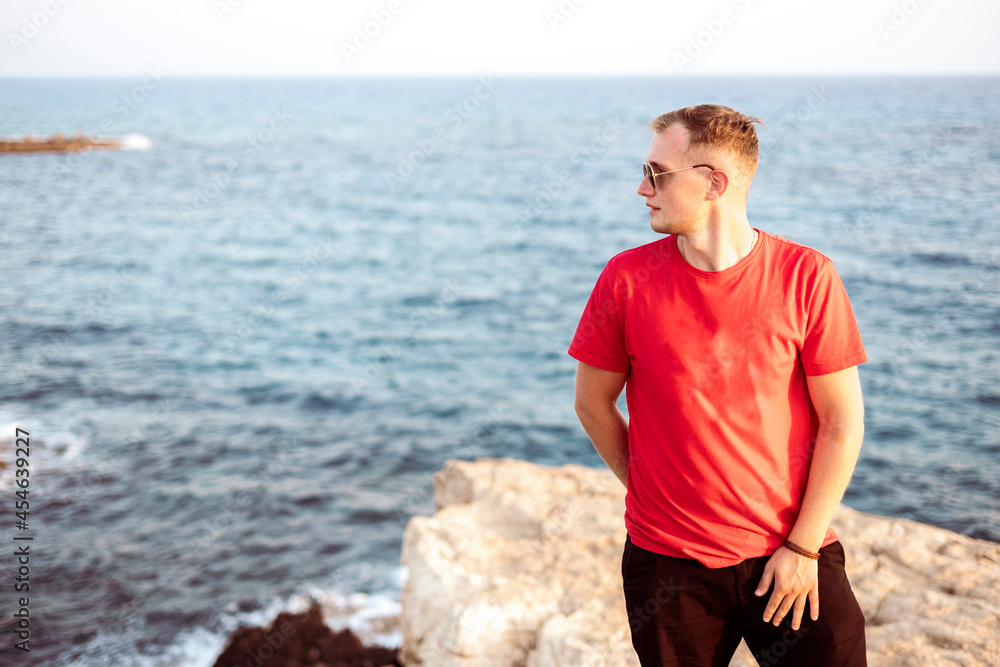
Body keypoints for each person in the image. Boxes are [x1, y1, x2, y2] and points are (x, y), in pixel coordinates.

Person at [568, 104, 868, 666]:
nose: (641, 187)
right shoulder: (625, 279)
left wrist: (802, 546)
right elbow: (592, 403)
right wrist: (651, 487)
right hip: (667, 568)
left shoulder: (807, 277)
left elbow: (842, 422)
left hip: (791, 558)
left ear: (714, 182)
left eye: (657, 172)